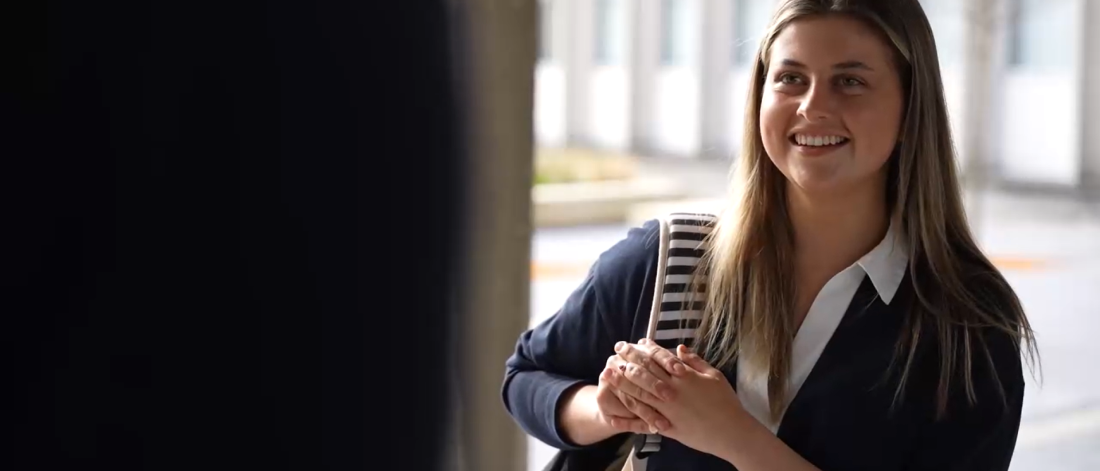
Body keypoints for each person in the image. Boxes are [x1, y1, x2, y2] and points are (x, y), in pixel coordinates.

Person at [502, 0, 1039, 469]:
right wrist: (605, 408)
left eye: (850, 80)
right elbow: (527, 376)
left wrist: (735, 438)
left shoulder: (968, 327)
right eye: (790, 78)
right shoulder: (666, 260)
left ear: (910, 105)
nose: (812, 107)